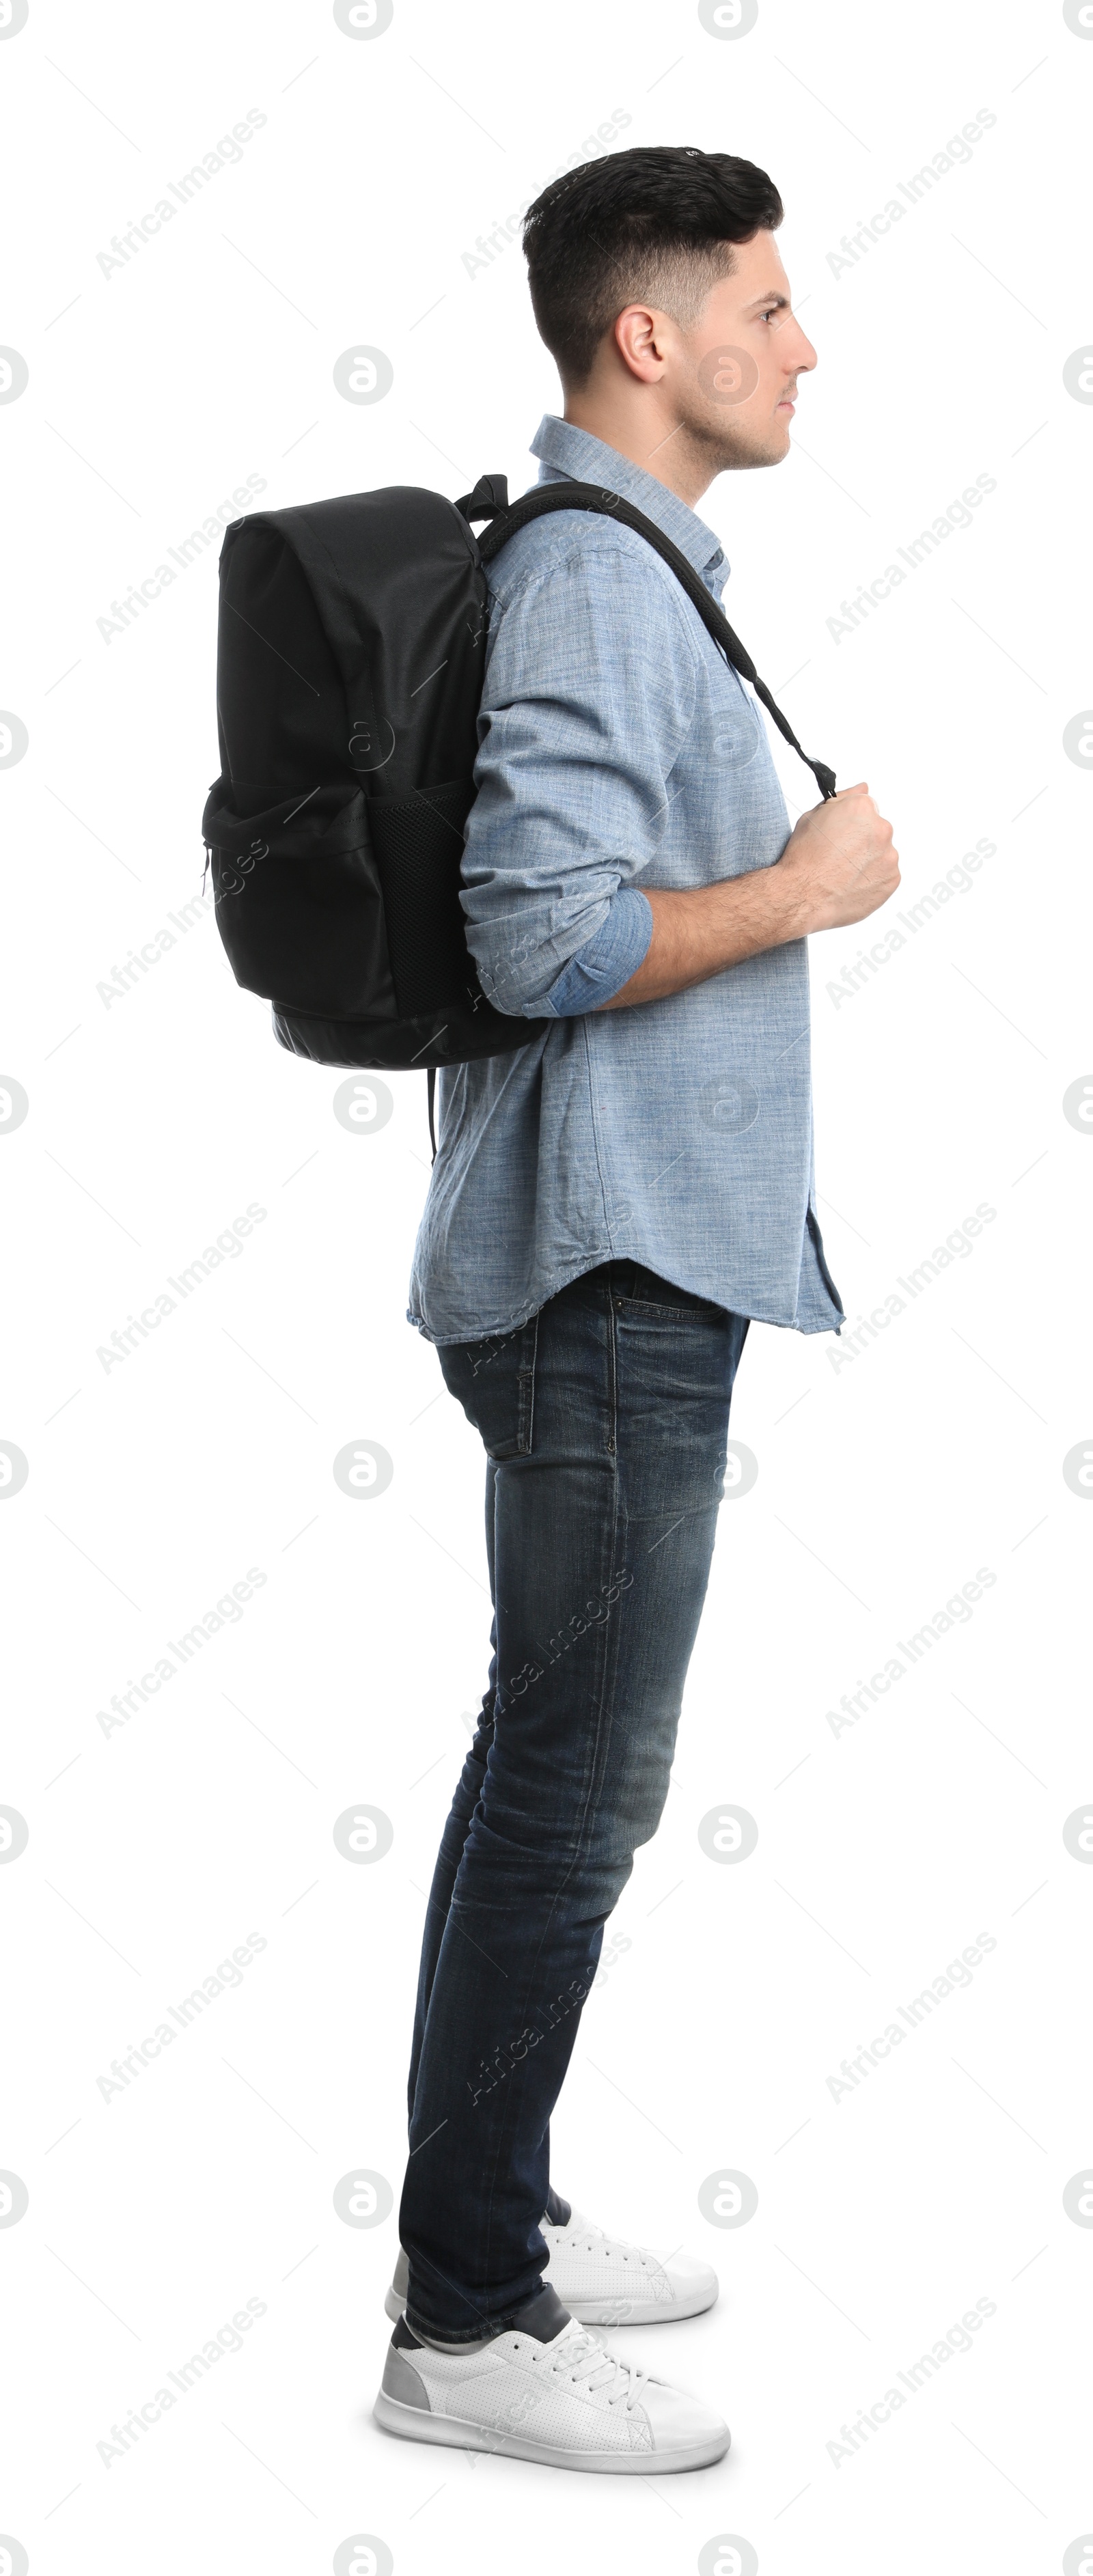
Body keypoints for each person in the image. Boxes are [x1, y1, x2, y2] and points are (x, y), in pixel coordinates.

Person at [374, 143, 899, 2474]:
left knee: (554, 1775)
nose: (806, 345)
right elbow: (544, 938)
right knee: (576, 1787)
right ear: (648, 338)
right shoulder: (597, 584)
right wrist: (800, 886)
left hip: (620, 1264)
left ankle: (488, 2212)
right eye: (767, 307)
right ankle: (469, 2322)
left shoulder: (616, 567)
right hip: (607, 1275)